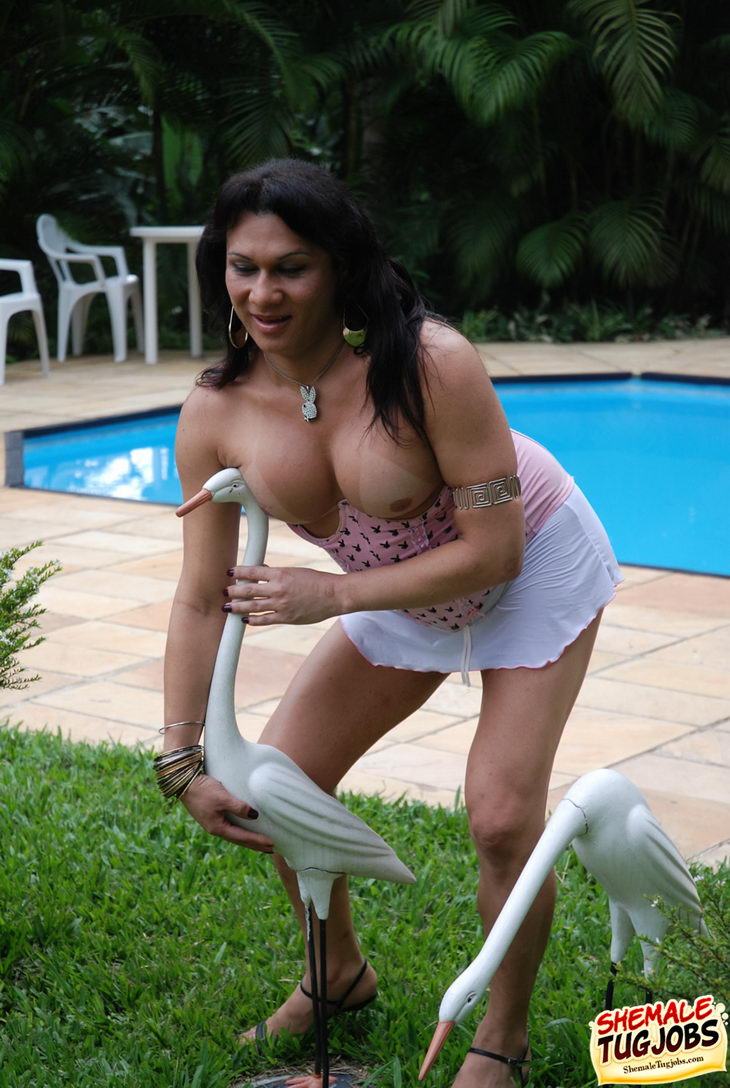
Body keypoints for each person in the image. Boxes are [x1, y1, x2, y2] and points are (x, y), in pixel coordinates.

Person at [162, 158, 621, 1088]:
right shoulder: (215, 411)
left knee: (502, 818)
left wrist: (330, 596)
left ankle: (501, 1035)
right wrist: (180, 756)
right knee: (277, 788)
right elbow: (201, 595)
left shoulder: (428, 364)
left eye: (291, 267)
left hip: (529, 569)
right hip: (394, 593)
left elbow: (497, 552)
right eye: (244, 267)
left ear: (340, 265)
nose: (263, 292)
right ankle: (337, 975)